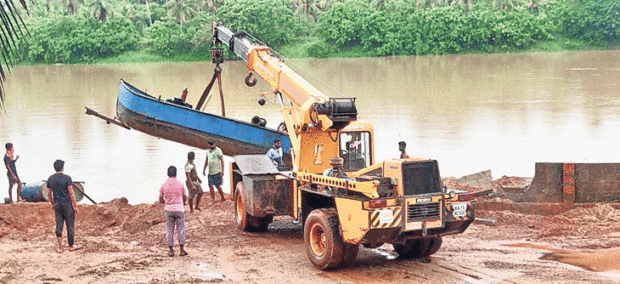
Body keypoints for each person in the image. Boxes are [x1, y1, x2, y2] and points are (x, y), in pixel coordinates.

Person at [46, 159, 81, 253]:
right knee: (70, 225)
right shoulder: (67, 178)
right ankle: (71, 245)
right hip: (67, 205)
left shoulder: (51, 178)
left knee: (59, 225)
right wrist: (75, 205)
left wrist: (52, 203)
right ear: (62, 168)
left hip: (57, 205)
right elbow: (71, 193)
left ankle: (60, 247)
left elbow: (49, 193)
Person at [159, 166, 188, 257]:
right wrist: (182, 202)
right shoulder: (180, 184)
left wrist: (166, 202)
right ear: (176, 173)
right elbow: (184, 197)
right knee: (181, 229)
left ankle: (171, 250)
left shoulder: (164, 185)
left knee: (170, 230)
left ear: (168, 174)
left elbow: (160, 198)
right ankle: (182, 250)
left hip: (169, 209)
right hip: (179, 209)